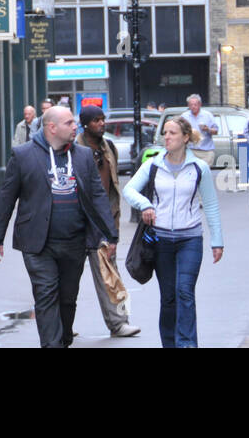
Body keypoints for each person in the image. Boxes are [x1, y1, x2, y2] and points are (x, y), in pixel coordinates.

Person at [0, 106, 118, 348]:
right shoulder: (23, 155)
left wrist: (111, 235)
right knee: (46, 296)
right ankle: (52, 344)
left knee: (68, 298)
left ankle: (63, 338)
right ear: (52, 128)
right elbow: (7, 197)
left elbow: (98, 196)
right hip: (38, 243)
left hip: (75, 242)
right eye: (69, 123)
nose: (75, 126)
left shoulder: (83, 156)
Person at [122, 116, 223, 347]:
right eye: (165, 133)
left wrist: (217, 240)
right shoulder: (153, 165)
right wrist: (145, 205)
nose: (166, 137)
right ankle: (170, 343)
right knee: (168, 297)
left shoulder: (199, 167)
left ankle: (186, 344)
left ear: (185, 137)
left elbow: (210, 204)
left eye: (172, 133)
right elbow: (129, 190)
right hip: (162, 240)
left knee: (185, 292)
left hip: (190, 239)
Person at [77, 105, 141, 338]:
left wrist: (112, 226)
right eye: (96, 120)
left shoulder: (109, 147)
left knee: (111, 276)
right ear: (85, 124)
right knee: (67, 279)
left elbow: (112, 189)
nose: (102, 123)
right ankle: (63, 325)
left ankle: (120, 322)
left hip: (104, 224)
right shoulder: (73, 149)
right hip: (78, 224)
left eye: (103, 119)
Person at [181, 94, 218, 165]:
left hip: (206, 151)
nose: (193, 107)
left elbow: (216, 131)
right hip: (190, 150)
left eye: (195, 104)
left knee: (204, 173)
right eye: (191, 105)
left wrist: (208, 129)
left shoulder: (208, 115)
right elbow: (180, 131)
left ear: (200, 104)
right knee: (191, 173)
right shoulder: (184, 116)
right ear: (188, 105)